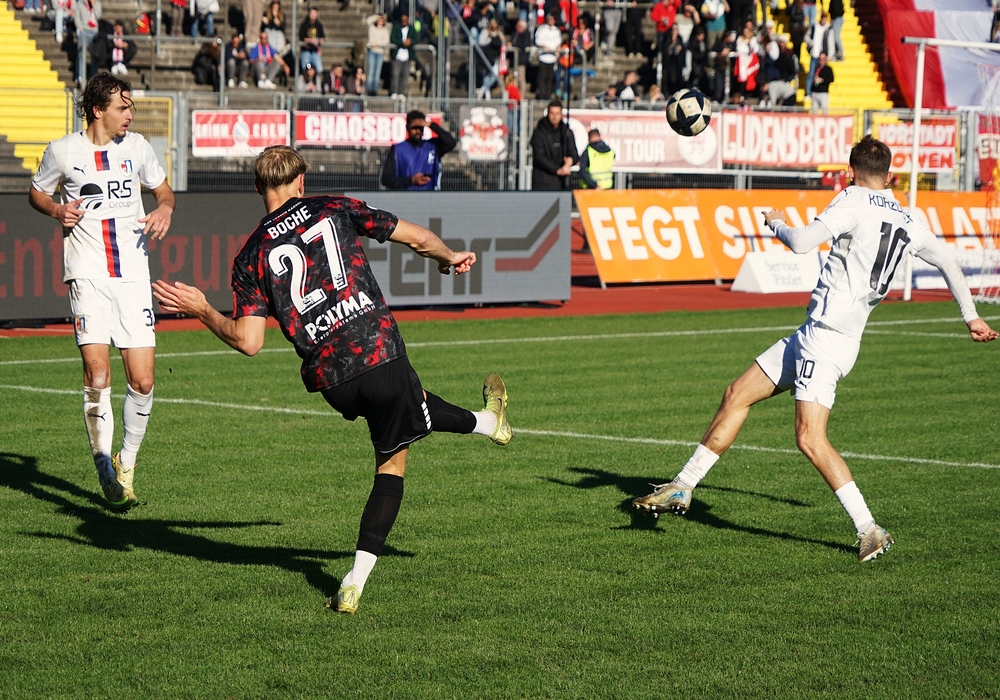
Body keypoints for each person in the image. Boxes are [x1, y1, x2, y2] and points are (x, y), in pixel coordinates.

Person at [151, 146, 512, 614]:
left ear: (258, 188)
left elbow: (248, 341)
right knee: (392, 462)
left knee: (412, 405)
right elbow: (419, 238)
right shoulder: (333, 207)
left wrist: (202, 309)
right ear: (301, 181)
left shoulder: (250, 256)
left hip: (332, 379)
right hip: (377, 350)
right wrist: (448, 258)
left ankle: (489, 423)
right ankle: (354, 583)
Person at [632, 136, 999, 563]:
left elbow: (803, 242)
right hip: (823, 335)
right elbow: (949, 261)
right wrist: (971, 316)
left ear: (851, 172)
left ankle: (869, 528)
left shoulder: (852, 199)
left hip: (824, 340)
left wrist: (776, 222)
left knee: (810, 438)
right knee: (737, 394)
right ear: (889, 176)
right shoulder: (908, 217)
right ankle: (684, 485)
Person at [28, 73, 176, 511]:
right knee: (97, 377)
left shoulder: (138, 148)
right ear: (98, 110)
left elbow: (164, 192)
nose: (130, 114)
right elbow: (36, 193)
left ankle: (125, 461)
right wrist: (56, 210)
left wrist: (164, 209)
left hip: (133, 276)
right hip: (87, 274)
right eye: (122, 107)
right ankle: (104, 471)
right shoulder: (63, 151)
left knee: (143, 380)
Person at [380, 111, 457, 191]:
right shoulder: (397, 149)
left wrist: (431, 125)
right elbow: (386, 179)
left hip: (429, 196)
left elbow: (451, 143)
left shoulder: (432, 146)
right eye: (414, 128)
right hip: (404, 196)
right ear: (407, 127)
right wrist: (411, 181)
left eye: (420, 128)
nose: (418, 131)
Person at [530, 100, 579, 191]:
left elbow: (574, 153)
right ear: (548, 114)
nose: (554, 117)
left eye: (557, 113)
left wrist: (570, 161)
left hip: (562, 183)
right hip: (542, 183)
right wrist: (557, 170)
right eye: (552, 113)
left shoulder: (566, 132)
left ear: (561, 114)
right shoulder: (539, 132)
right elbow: (539, 157)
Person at [805, 12, 833, 97]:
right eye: (823, 19)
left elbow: (830, 42)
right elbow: (806, 37)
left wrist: (830, 55)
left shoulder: (828, 29)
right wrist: (810, 43)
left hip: (823, 56)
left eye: (825, 19)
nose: (824, 21)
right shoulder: (814, 26)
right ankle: (808, 92)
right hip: (814, 54)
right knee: (811, 74)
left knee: (822, 75)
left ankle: (817, 91)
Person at [534, 13, 561, 100]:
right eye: (549, 19)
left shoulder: (557, 30)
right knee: (542, 77)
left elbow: (558, 42)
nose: (550, 21)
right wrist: (545, 47)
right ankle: (542, 94)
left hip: (552, 57)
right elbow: (538, 40)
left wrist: (556, 48)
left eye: (552, 19)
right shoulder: (541, 29)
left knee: (550, 77)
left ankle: (548, 94)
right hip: (543, 57)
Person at [389, 12, 414, 97]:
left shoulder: (411, 29)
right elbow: (393, 38)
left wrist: (410, 42)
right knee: (395, 75)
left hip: (407, 57)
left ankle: (401, 93)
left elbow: (415, 39)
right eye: (402, 20)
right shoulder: (396, 27)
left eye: (405, 20)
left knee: (405, 76)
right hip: (397, 56)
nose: (404, 21)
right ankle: (394, 92)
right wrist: (402, 43)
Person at [365, 13, 390, 95]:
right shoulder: (372, 27)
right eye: (379, 19)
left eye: (382, 20)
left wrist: (377, 44)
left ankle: (375, 90)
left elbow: (386, 41)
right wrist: (377, 16)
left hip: (380, 52)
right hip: (372, 51)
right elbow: (368, 21)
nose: (380, 21)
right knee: (370, 71)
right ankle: (368, 89)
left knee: (377, 72)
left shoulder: (385, 30)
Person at [298, 6, 325, 72]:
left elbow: (322, 36)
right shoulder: (304, 25)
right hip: (306, 51)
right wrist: (310, 41)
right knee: (307, 68)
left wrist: (321, 40)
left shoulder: (319, 25)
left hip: (315, 51)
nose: (313, 15)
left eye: (314, 13)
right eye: (311, 13)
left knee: (319, 69)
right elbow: (301, 37)